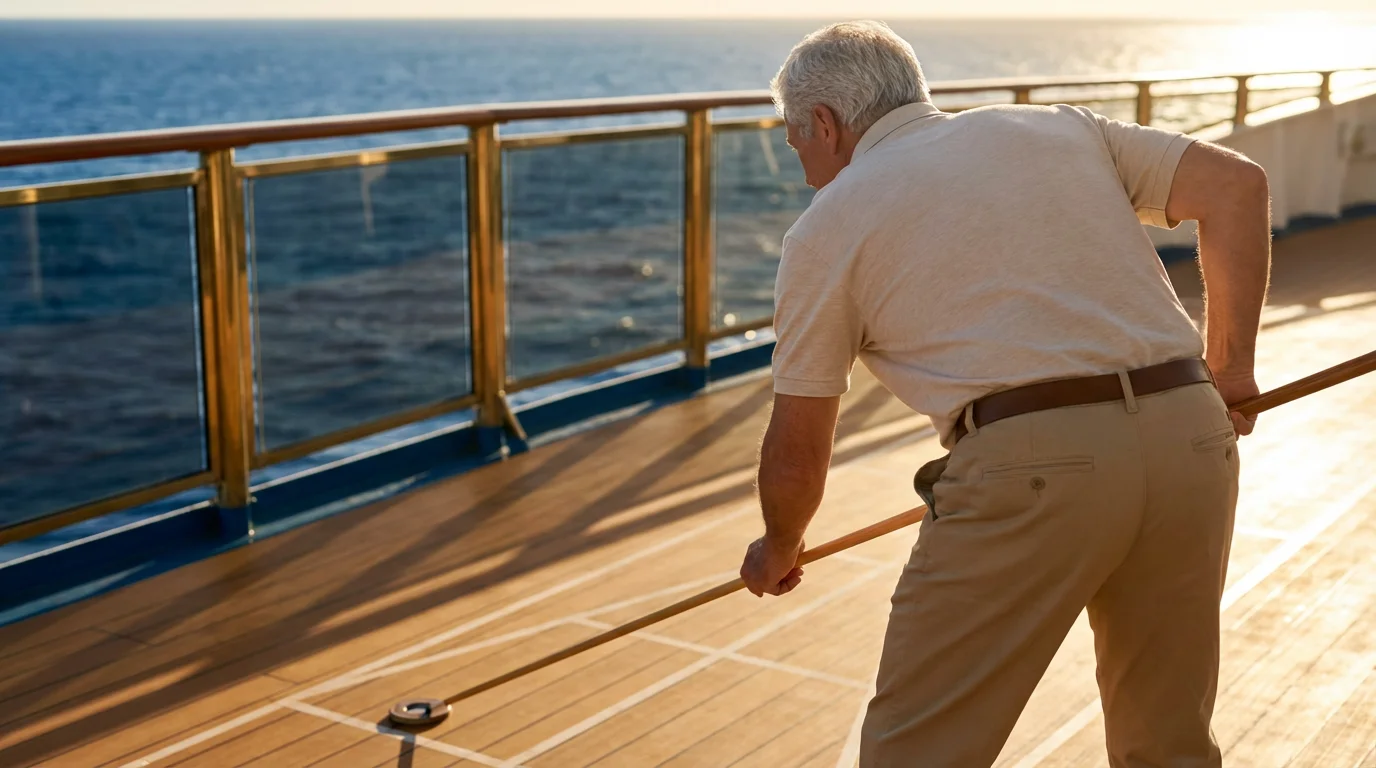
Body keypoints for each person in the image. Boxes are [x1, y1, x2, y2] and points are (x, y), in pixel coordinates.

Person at [736, 20, 1271, 768]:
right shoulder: (1058, 128)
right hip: (1190, 435)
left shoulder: (826, 228)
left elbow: (798, 453)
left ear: (824, 123)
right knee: (1167, 743)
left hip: (1034, 468)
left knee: (917, 751)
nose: (802, 169)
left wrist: (778, 546)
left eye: (796, 142)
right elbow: (1237, 185)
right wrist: (1232, 372)